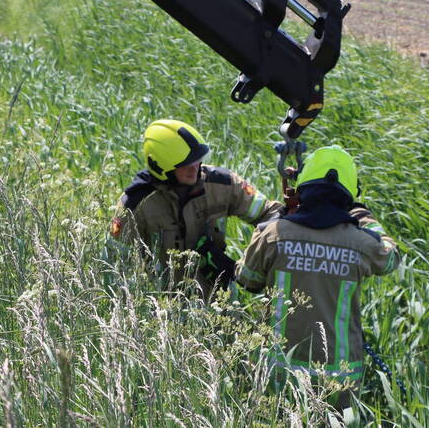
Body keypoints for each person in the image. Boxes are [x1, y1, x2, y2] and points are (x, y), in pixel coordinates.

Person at [236, 144, 400, 413]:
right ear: (348, 194)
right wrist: (364, 215)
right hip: (339, 378)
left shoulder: (273, 234)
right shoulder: (362, 243)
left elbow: (247, 280)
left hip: (278, 373)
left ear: (303, 190)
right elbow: (391, 258)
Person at [108, 119, 283, 298]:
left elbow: (271, 215)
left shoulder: (223, 184)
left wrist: (244, 265)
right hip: (162, 309)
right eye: (184, 164)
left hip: (219, 301)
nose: (194, 168)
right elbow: (115, 264)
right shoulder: (136, 204)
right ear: (161, 166)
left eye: (197, 159)